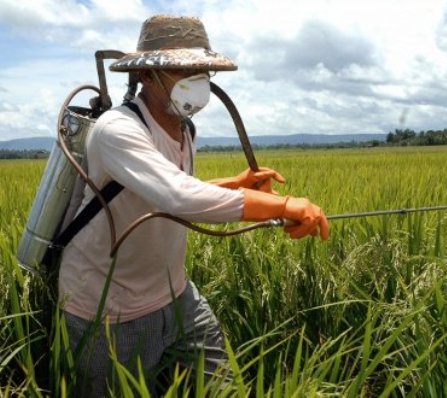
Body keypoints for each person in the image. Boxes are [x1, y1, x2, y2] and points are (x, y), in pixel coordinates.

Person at [57, 14, 329, 396]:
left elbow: (169, 189)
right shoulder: (118, 130)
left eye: (202, 69)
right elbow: (178, 196)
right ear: (147, 75)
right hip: (109, 309)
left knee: (223, 388)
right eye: (184, 69)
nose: (198, 78)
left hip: (175, 294)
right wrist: (281, 205)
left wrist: (234, 185)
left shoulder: (184, 127)